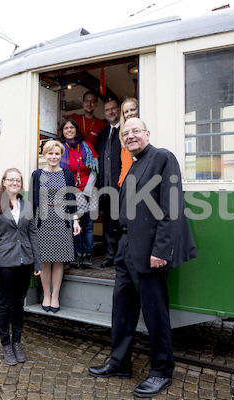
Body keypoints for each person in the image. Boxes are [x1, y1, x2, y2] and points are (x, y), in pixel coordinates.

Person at [88, 118, 198, 398]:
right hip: (126, 249)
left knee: (155, 314)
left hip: (150, 251)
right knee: (121, 310)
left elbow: (172, 207)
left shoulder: (162, 157)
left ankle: (161, 371)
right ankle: (119, 362)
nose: (130, 136)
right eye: (125, 133)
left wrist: (161, 250)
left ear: (148, 134)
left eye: (135, 131)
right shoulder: (135, 164)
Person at [0, 168, 42, 366]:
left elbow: (33, 234)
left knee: (19, 304)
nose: (14, 183)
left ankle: (17, 342)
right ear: (4, 182)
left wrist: (37, 261)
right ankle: (6, 344)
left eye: (18, 180)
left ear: (21, 184)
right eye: (11, 180)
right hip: (5, 264)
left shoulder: (26, 206)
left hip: (25, 262)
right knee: (5, 305)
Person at [30, 140, 81, 313]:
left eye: (57, 153)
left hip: (62, 219)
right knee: (44, 260)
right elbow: (32, 201)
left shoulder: (67, 174)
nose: (53, 156)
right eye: (50, 153)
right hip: (42, 220)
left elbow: (72, 201)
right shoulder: (37, 174)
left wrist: (75, 220)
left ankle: (55, 296)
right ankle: (46, 294)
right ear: (44, 155)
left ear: (61, 155)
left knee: (59, 260)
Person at [57, 117, 99, 269]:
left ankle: (87, 255)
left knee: (87, 223)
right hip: (69, 191)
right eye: (66, 128)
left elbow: (95, 170)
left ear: (76, 130)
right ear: (63, 131)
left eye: (71, 127)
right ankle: (76, 254)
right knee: (73, 223)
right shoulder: (60, 148)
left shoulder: (86, 146)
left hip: (89, 190)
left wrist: (86, 191)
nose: (69, 130)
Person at [95, 98, 121, 268]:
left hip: (122, 186)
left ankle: (122, 256)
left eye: (113, 109)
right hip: (105, 187)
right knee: (109, 223)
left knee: (123, 222)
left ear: (119, 110)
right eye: (107, 110)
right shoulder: (103, 134)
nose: (110, 112)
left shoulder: (125, 131)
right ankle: (110, 255)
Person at [117, 98, 138, 187]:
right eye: (126, 111)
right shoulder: (123, 135)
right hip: (127, 186)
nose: (130, 114)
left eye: (133, 110)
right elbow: (125, 164)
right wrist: (121, 182)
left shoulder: (144, 132)